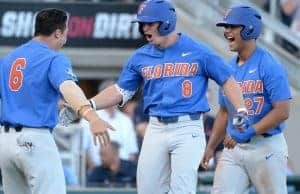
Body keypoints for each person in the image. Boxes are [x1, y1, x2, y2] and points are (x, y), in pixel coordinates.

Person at [86, 0, 248, 193]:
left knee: (182, 190)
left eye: (149, 23)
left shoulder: (198, 50)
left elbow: (228, 80)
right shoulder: (140, 56)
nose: (144, 28)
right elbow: (120, 91)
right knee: (147, 189)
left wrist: (242, 110)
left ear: (166, 22)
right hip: (156, 127)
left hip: (188, 127)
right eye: (142, 23)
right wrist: (89, 105)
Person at [0, 8, 113, 194]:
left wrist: (57, 105)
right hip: (34, 138)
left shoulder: (8, 59)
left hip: (5, 141)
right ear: (58, 32)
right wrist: (91, 116)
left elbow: (21, 94)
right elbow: (68, 87)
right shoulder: (54, 57)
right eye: (66, 30)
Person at [201, 6, 292, 194]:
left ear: (250, 28)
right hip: (234, 146)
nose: (227, 31)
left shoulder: (269, 64)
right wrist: (210, 147)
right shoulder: (227, 67)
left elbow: (282, 111)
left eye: (232, 26)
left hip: (266, 147)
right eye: (225, 27)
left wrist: (249, 131)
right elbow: (225, 111)